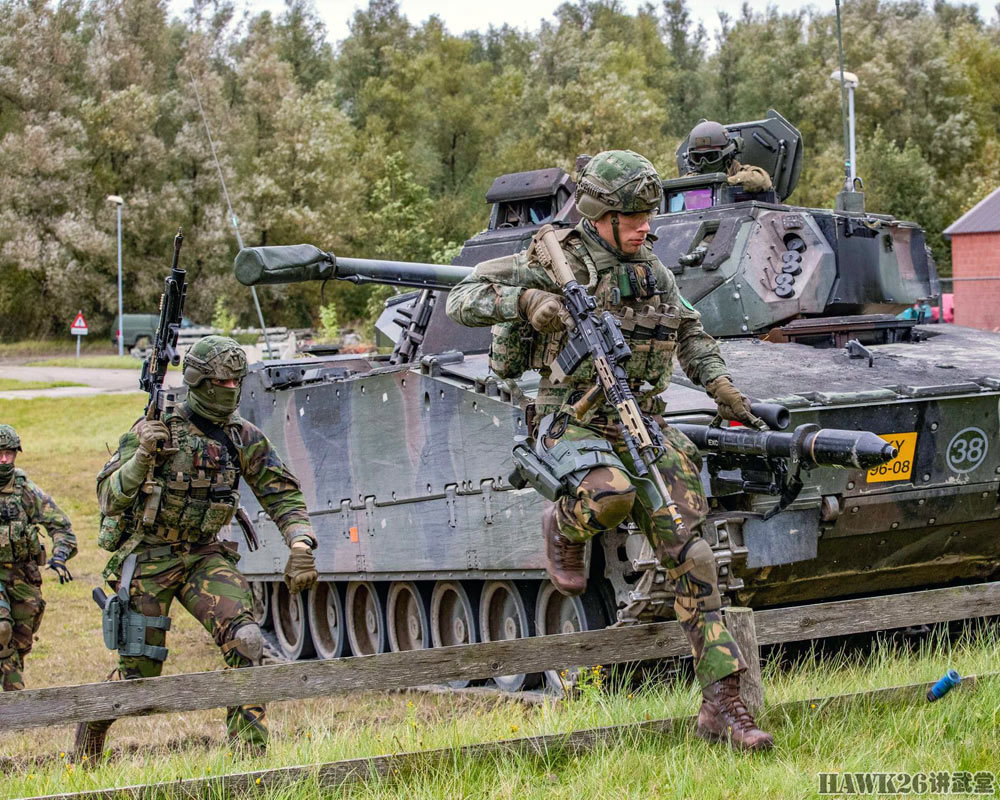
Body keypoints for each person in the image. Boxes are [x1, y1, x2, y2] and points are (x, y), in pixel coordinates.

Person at [446, 150, 773, 751]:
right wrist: (525, 303)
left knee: (692, 552)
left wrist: (722, 387)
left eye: (649, 214)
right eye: (634, 216)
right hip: (571, 420)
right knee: (611, 497)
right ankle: (566, 523)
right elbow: (461, 299)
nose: (647, 225)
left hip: (638, 419)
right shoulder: (553, 259)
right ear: (599, 215)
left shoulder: (653, 271)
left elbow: (691, 332)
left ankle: (724, 703)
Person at [74, 336, 319, 760]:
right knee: (140, 679)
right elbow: (109, 498)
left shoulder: (243, 437)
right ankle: (92, 727)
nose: (229, 391)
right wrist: (142, 457)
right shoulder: (154, 430)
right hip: (150, 555)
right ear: (197, 381)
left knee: (247, 640)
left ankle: (249, 760)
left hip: (204, 555)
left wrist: (300, 543)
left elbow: (282, 494)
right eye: (220, 383)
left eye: (235, 384)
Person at [0, 424, 76, 691]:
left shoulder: (25, 491)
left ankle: (13, 702)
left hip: (22, 576)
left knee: (20, 642)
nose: (4, 460)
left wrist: (60, 555)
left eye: (9, 453)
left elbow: (61, 525)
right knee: (1, 630)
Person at [683, 120, 773, 193]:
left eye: (711, 156)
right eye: (697, 158)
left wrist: (723, 182)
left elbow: (761, 180)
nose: (704, 162)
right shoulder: (691, 178)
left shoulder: (740, 172)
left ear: (726, 153)